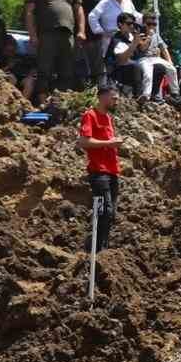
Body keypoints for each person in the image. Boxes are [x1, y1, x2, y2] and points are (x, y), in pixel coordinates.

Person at [25, 0, 81, 101]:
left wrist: (81, 31)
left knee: (67, 69)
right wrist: (33, 35)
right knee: (44, 70)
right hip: (46, 34)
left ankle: (62, 102)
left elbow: (79, 9)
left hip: (67, 34)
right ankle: (43, 102)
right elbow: (29, 12)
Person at [77, 82, 124, 250]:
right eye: (113, 98)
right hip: (99, 171)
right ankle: (94, 248)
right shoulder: (90, 115)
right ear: (102, 97)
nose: (116, 102)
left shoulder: (109, 118)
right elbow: (83, 142)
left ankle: (102, 246)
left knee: (110, 214)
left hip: (112, 171)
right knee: (105, 211)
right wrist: (109, 142)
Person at [86, 0, 137, 80]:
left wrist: (146, 19)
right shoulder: (105, 2)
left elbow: (135, 14)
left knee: (129, 64)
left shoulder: (127, 0)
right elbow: (92, 16)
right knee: (109, 68)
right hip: (111, 40)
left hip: (126, 39)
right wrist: (100, 31)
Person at [133, 13, 175, 101]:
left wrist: (169, 61)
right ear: (144, 24)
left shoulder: (156, 35)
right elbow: (142, 48)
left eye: (154, 24)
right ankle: (146, 95)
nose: (152, 26)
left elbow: (163, 48)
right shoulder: (140, 34)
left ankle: (175, 93)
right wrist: (149, 37)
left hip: (155, 58)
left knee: (172, 69)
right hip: (143, 59)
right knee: (148, 74)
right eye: (149, 24)